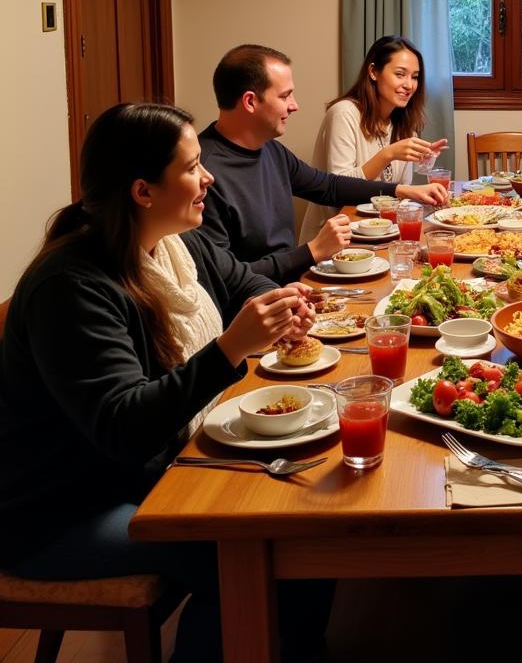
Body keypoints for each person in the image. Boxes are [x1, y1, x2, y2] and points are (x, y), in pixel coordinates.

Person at [0, 103, 331, 662]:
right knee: (243, 556)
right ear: (142, 191)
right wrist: (232, 347)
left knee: (307, 526)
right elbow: (124, 427)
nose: (209, 179)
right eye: (193, 167)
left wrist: (283, 304)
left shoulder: (178, 244)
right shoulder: (73, 285)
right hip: (62, 510)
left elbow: (243, 283)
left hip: (154, 470)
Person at [199, 44, 447, 283]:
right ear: (250, 101)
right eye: (285, 95)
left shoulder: (271, 150)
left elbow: (329, 186)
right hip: (255, 305)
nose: (295, 105)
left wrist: (402, 191)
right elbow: (221, 278)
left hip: (291, 284)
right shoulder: (204, 175)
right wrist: (312, 251)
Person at [299, 35, 448, 245]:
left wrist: (423, 159)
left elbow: (400, 192)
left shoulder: (403, 122)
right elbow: (338, 189)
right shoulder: (344, 113)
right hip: (336, 239)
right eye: (399, 74)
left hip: (381, 234)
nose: (409, 85)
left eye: (415, 77)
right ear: (373, 72)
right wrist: (388, 155)